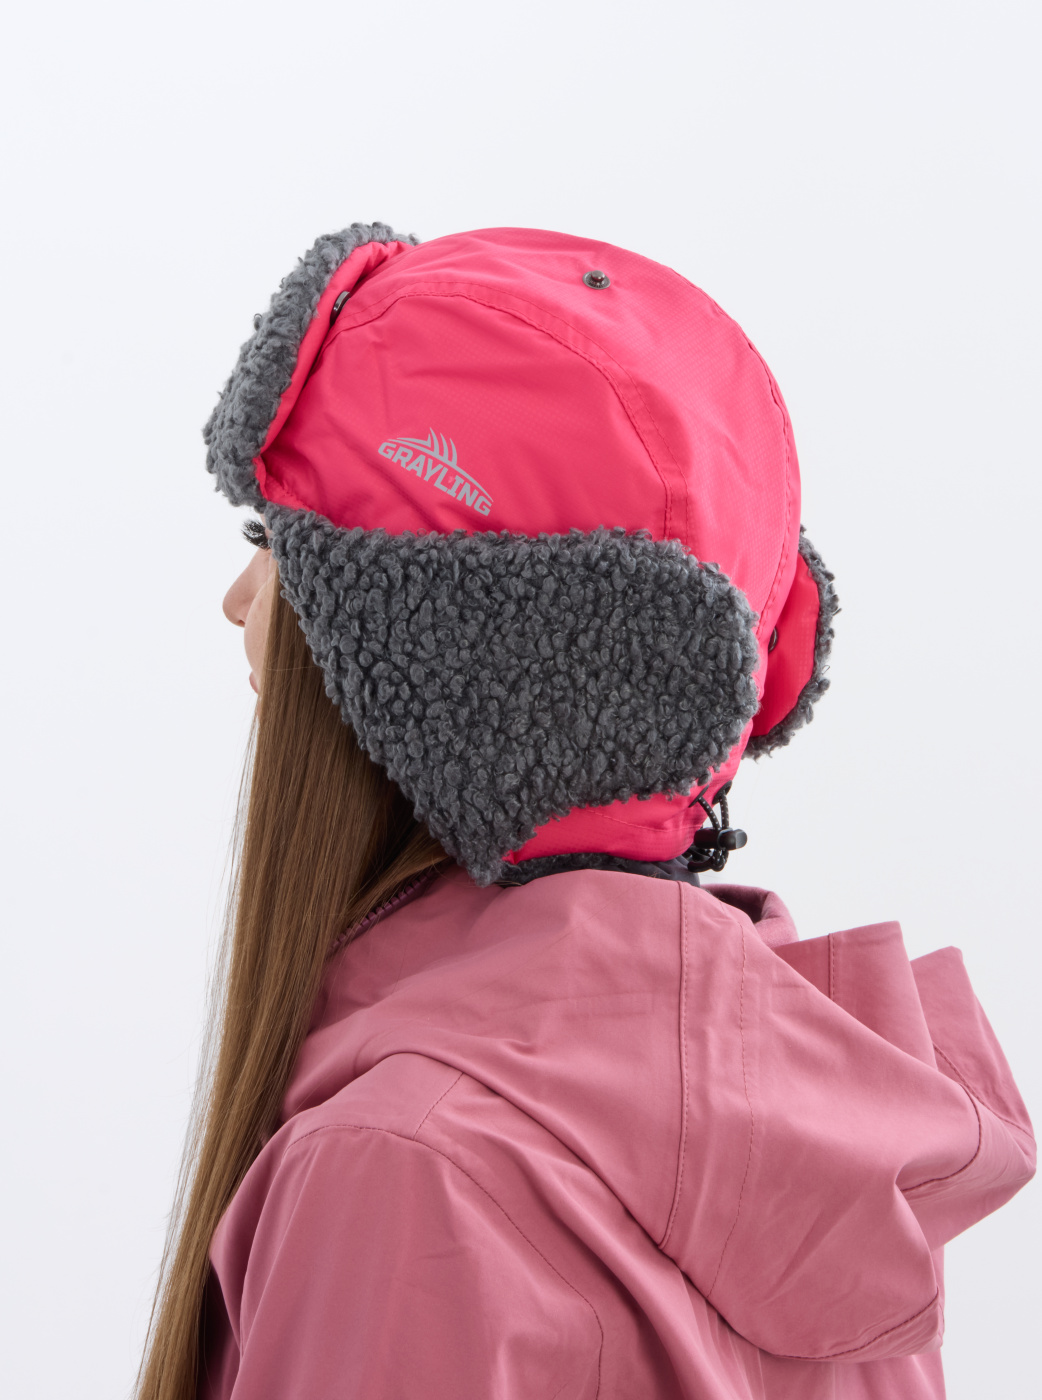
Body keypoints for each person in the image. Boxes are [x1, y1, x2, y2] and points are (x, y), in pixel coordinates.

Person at [138, 223, 1034, 1400]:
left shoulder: (402, 1166)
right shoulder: (825, 1167)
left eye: (274, 538)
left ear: (441, 670)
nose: (237, 598)